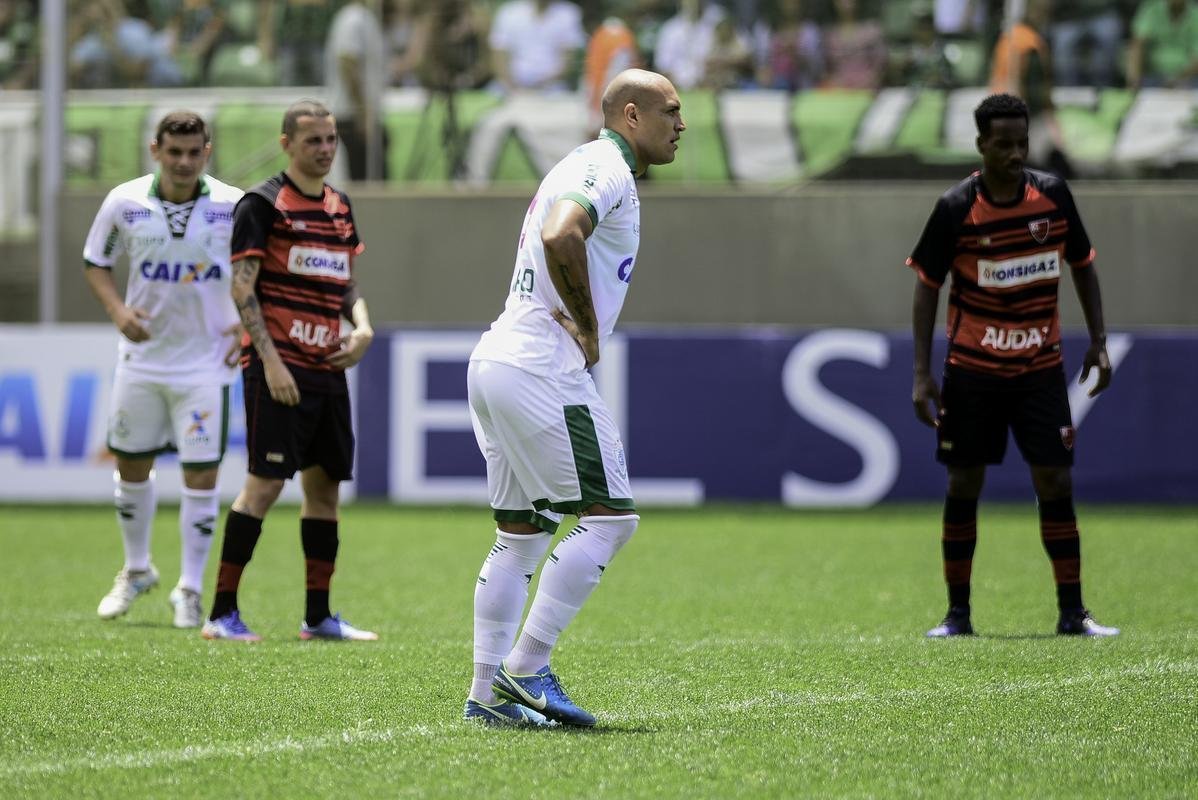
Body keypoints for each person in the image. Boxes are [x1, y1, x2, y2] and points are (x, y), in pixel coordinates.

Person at [464, 68, 684, 727]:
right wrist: (587, 326)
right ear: (630, 115)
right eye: (670, 111)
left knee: (523, 532)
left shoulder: (582, 162)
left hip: (497, 354)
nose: (681, 125)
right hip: (539, 362)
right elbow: (564, 234)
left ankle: (486, 695)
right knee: (611, 519)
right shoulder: (607, 165)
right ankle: (527, 667)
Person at [908, 93, 1119, 640]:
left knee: (1054, 480)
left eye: (1022, 142)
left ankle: (1073, 613)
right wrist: (922, 372)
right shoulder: (956, 207)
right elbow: (927, 287)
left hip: (1039, 367)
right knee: (965, 481)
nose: (1014, 153)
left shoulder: (1052, 196)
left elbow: (1084, 266)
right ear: (981, 145)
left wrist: (1098, 341)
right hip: (973, 368)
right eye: (1003, 144)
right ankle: (958, 616)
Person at [202, 100, 378, 643]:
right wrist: (271, 363)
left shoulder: (339, 206)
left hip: (327, 367)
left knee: (324, 488)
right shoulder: (261, 204)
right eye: (313, 141)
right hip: (278, 370)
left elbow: (343, 282)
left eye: (330, 139)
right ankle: (222, 614)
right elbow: (242, 288)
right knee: (264, 486)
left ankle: (318, 617)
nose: (325, 149)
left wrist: (363, 327)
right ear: (286, 144)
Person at [84, 110, 243, 629]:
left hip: (204, 364)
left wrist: (245, 328)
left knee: (201, 474)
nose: (183, 162)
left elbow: (258, 271)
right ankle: (136, 569)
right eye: (173, 152)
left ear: (207, 152)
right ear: (155, 150)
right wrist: (117, 312)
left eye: (193, 152)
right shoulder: (124, 202)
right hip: (143, 361)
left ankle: (191, 589)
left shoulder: (232, 205)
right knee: (131, 463)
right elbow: (96, 261)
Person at [324, 0, 388, 181]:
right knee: (361, 186)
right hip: (352, 117)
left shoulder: (365, 18)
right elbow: (347, 62)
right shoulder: (353, 19)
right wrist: (362, 111)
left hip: (361, 115)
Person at [488, 0, 586, 93]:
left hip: (552, 87)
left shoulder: (568, 13)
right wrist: (512, 87)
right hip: (511, 85)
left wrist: (541, 85)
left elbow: (567, 62)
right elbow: (498, 58)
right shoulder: (508, 12)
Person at [1126, 0, 1198, 89]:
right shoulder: (1152, 9)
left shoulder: (1195, 14)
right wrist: (1134, 80)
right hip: (1154, 77)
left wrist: (1179, 79)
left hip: (1189, 79)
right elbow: (1137, 45)